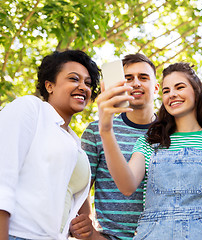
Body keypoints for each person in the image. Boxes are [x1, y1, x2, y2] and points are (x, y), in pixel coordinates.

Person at [97, 62, 202, 239]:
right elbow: (127, 186)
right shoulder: (148, 143)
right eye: (166, 91)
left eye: (179, 87)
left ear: (197, 92)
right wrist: (106, 130)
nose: (172, 94)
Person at [0, 50, 101, 240]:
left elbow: (68, 200)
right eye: (74, 79)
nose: (83, 87)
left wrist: (83, 223)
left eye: (88, 83)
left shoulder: (74, 142)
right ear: (49, 86)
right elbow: (2, 178)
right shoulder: (30, 108)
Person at [70, 53, 159, 240]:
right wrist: (91, 232)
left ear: (156, 87)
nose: (135, 83)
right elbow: (79, 188)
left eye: (143, 77)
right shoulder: (96, 130)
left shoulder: (173, 134)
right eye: (128, 78)